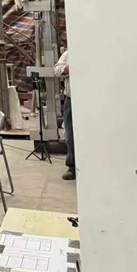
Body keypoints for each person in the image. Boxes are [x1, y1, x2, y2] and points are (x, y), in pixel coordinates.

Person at [55, 49, 75, 180]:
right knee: (70, 133)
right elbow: (57, 70)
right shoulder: (69, 54)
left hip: (91, 100)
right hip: (71, 99)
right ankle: (72, 166)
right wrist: (70, 68)